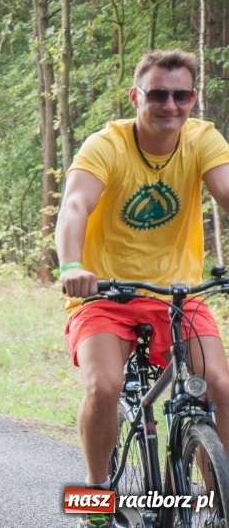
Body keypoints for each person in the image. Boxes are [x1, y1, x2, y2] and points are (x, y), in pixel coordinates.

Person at [56, 49, 229, 528]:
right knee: (105, 386)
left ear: (193, 98)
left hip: (177, 295)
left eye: (181, 95)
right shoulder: (106, 145)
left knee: (221, 386)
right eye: (157, 95)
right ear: (136, 97)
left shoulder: (202, 139)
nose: (170, 105)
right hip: (104, 294)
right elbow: (74, 206)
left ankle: (220, 497)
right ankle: (95, 495)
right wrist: (72, 265)